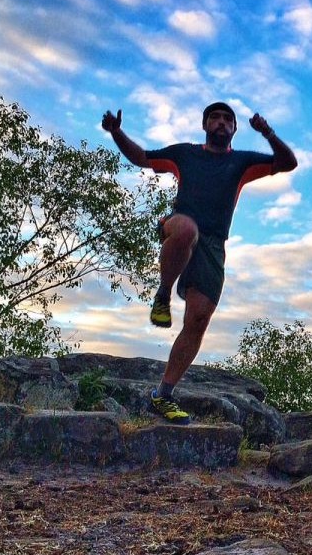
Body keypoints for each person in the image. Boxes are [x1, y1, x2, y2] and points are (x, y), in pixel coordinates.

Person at [101, 101, 298, 423]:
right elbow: (141, 157)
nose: (221, 123)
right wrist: (117, 132)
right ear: (205, 125)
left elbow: (288, 163)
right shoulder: (185, 154)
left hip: (213, 244)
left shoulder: (243, 162)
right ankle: (163, 294)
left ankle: (162, 395)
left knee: (198, 319)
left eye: (227, 119)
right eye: (214, 118)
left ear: (234, 128)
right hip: (178, 226)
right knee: (186, 229)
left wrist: (268, 133)